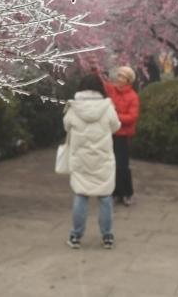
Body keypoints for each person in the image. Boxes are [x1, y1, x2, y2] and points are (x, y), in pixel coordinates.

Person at [64, 74, 121, 249]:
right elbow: (115, 126)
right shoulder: (107, 106)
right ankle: (107, 237)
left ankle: (75, 236)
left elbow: (66, 126)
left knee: (81, 195)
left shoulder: (73, 107)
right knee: (105, 197)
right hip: (102, 159)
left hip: (80, 159)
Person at [104, 66, 140, 206]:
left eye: (122, 76)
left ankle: (127, 193)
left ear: (128, 80)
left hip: (123, 135)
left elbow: (132, 117)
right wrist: (94, 69)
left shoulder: (133, 97)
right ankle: (115, 193)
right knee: (111, 164)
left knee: (122, 166)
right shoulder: (113, 90)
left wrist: (115, 116)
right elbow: (102, 84)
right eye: (118, 75)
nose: (118, 79)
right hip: (111, 133)